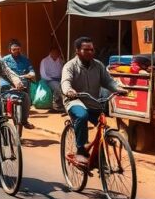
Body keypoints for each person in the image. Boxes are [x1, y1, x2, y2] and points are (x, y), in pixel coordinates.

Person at [62, 37, 128, 167]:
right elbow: (65, 82)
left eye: (92, 49)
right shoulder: (70, 66)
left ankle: (100, 159)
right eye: (86, 50)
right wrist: (69, 90)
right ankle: (81, 149)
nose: (90, 52)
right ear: (77, 51)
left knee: (103, 126)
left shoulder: (98, 65)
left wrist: (118, 88)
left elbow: (108, 81)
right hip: (75, 101)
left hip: (92, 102)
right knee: (82, 116)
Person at [1, 39, 35, 129]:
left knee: (27, 98)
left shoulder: (25, 59)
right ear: (10, 50)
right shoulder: (5, 60)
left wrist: (31, 74)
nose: (16, 51)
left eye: (18, 49)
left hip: (21, 86)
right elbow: (1, 72)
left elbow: (31, 71)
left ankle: (24, 121)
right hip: (7, 85)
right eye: (14, 49)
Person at [39, 47, 65, 112]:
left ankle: (65, 105)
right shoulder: (44, 61)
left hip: (59, 79)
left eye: (57, 53)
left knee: (66, 86)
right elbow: (43, 75)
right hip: (48, 79)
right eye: (54, 53)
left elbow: (63, 72)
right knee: (58, 87)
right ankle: (57, 106)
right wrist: (53, 80)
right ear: (50, 53)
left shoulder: (60, 60)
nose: (56, 54)